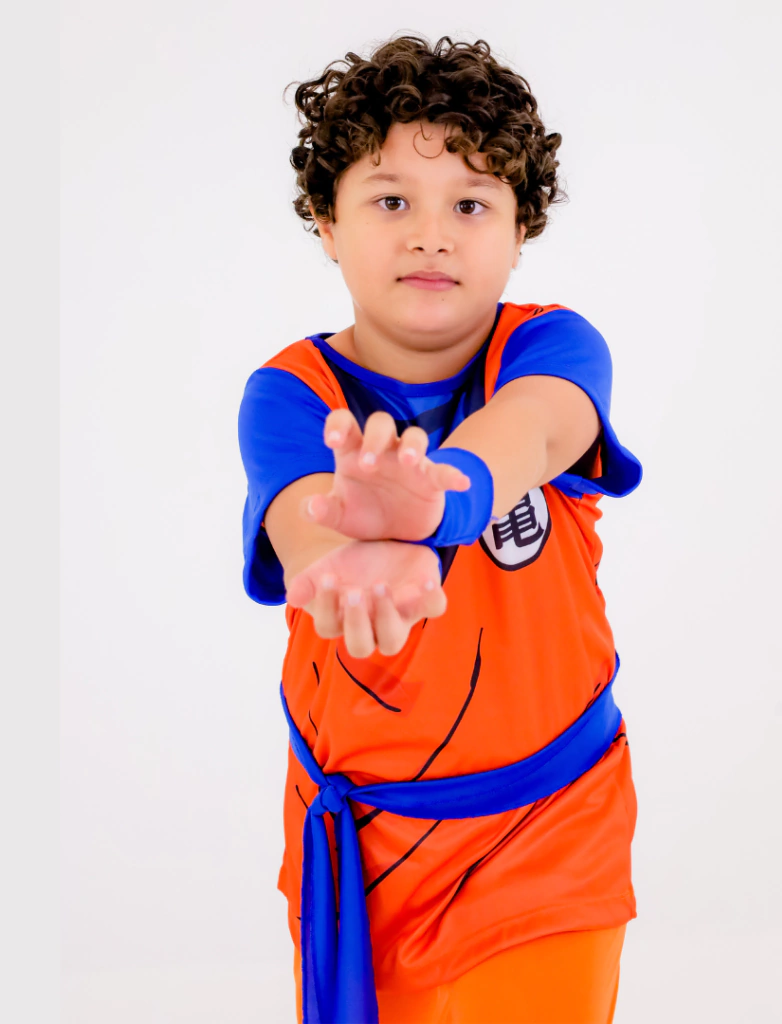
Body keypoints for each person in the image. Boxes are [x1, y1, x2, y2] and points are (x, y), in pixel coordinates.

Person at [237, 34, 643, 1024]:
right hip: (366, 847)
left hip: (549, 828)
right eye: (390, 201)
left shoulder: (549, 346)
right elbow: (303, 523)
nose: (430, 235)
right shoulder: (290, 394)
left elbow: (532, 429)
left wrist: (437, 501)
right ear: (325, 223)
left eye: (470, 204)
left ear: (520, 229)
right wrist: (350, 556)